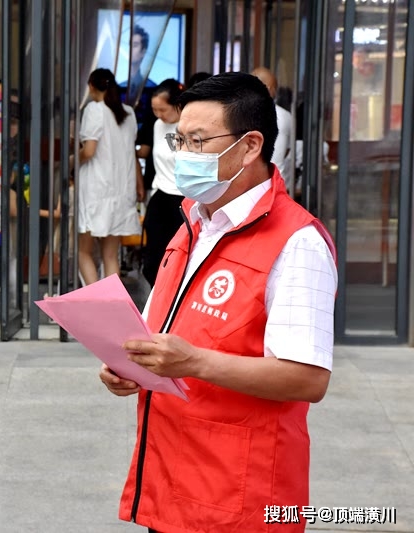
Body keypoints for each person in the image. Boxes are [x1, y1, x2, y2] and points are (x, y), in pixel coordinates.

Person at [100, 72, 337, 532]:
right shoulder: (194, 221)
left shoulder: (296, 242)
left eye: (198, 141)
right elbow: (162, 330)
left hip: (240, 496)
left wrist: (193, 362)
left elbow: (307, 378)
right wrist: (128, 365)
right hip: (170, 479)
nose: (183, 154)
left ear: (250, 146)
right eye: (179, 140)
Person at [78, 68, 143, 285]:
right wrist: (139, 184)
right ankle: (112, 305)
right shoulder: (128, 113)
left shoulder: (94, 110)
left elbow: (88, 151)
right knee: (110, 256)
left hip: (95, 190)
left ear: (91, 86)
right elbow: (131, 153)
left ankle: (96, 304)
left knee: (83, 252)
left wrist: (71, 160)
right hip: (121, 191)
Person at [140, 78, 186, 287]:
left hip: (184, 197)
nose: (158, 114)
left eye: (162, 109)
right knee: (152, 262)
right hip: (161, 193)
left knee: (178, 259)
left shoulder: (189, 127)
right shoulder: (158, 125)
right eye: (154, 109)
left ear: (177, 105)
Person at [252, 67, 294, 195]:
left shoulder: (235, 114)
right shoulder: (282, 116)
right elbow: (284, 153)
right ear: (270, 89)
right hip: (273, 188)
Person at [122, 25, 157, 104]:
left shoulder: (152, 87)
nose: (131, 49)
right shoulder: (120, 86)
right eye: (130, 45)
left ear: (143, 51)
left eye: (135, 45)